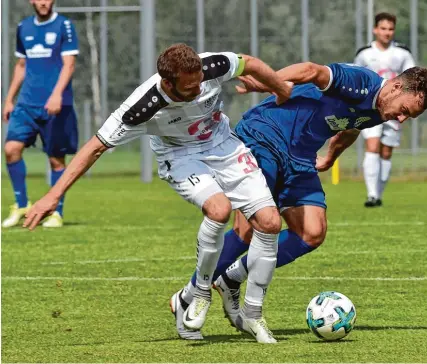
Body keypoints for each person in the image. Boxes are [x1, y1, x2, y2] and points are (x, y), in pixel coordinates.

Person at [23, 43, 293, 344]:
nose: (198, 88)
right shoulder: (143, 105)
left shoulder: (211, 66)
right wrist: (53, 196)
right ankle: (201, 293)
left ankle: (253, 315)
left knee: (270, 222)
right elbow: (95, 146)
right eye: (189, 87)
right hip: (179, 156)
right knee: (219, 210)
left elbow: (250, 63)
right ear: (168, 82)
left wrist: (281, 90)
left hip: (223, 146)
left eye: (199, 81)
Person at [175, 62, 427, 338]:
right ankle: (188, 297)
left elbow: (351, 127)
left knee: (312, 232)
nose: (401, 119)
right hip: (267, 135)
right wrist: (270, 82)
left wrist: (330, 157)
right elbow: (313, 71)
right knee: (248, 228)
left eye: (409, 117)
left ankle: (231, 277)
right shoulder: (361, 82)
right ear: (396, 87)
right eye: (405, 111)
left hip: (300, 157)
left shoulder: (382, 109)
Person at [2, 0, 79, 228]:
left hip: (56, 105)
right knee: (10, 149)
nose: (44, 2)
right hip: (26, 104)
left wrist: (56, 94)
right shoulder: (23, 27)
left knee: (56, 160)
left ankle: (56, 212)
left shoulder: (64, 25)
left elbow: (69, 64)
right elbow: (21, 65)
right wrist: (8, 99)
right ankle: (21, 205)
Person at [354, 12, 416, 207]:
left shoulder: (402, 54)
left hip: (395, 110)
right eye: (383, 28)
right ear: (375, 30)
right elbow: (355, 77)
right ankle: (371, 194)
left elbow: (413, 78)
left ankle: (378, 194)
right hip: (370, 106)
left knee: (386, 152)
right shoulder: (365, 54)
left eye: (390, 29)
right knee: (372, 146)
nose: (386, 32)